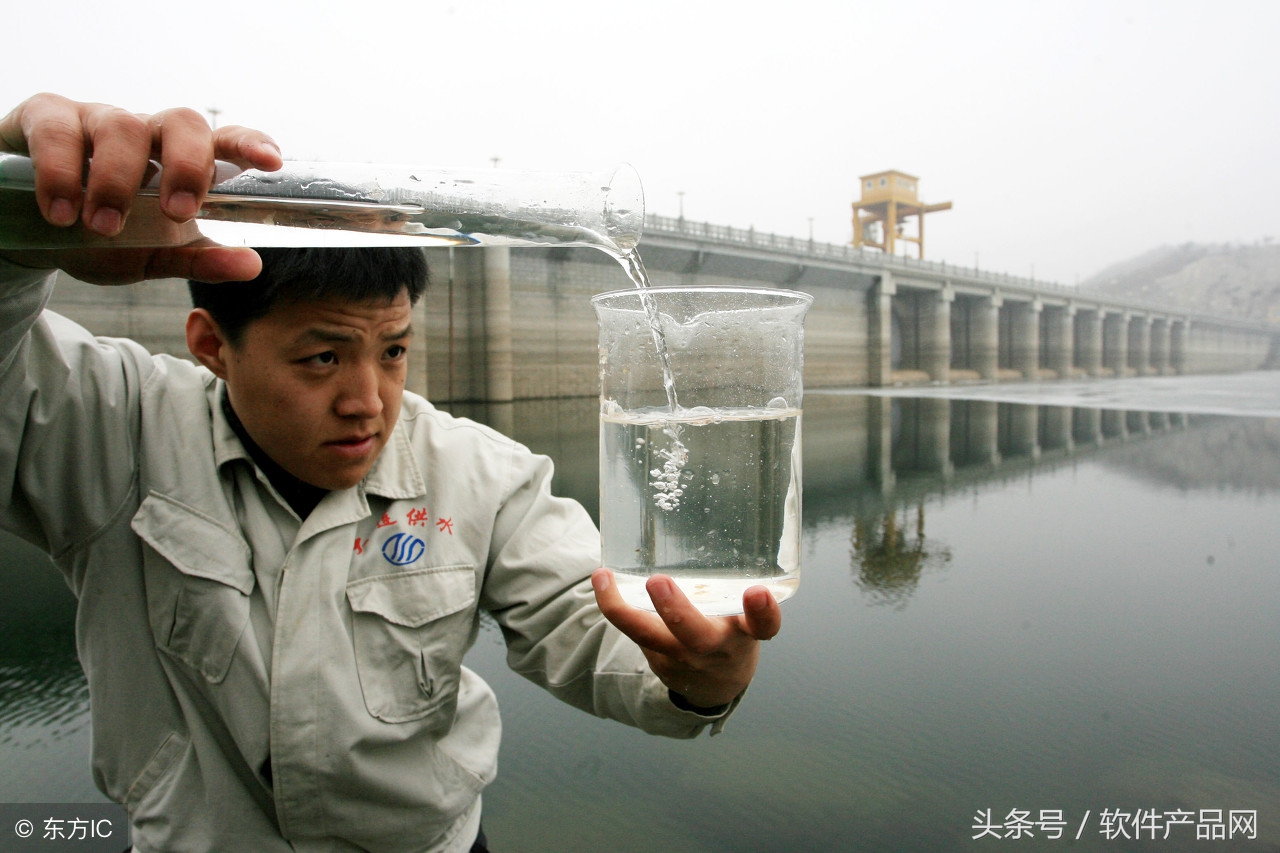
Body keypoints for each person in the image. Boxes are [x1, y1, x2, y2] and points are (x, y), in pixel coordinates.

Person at [0, 93, 781, 853]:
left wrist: (699, 676)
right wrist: (11, 229)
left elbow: (590, 619)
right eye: (324, 357)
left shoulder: (480, 473)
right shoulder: (114, 429)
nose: (369, 401)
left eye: (394, 350)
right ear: (211, 343)